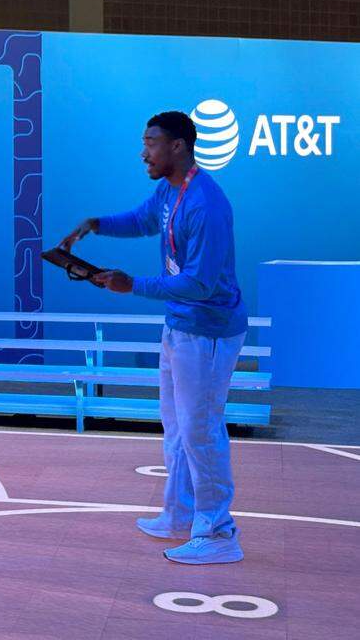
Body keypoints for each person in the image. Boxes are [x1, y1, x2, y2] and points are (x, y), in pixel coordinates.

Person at [60, 111, 248, 565]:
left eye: (150, 142)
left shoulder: (207, 205)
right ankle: (179, 514)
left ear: (177, 146)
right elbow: (143, 219)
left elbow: (199, 284)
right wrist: (94, 224)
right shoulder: (169, 190)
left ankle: (219, 533)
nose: (143, 152)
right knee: (177, 427)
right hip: (179, 326)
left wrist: (133, 285)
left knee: (201, 430)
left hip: (208, 333)